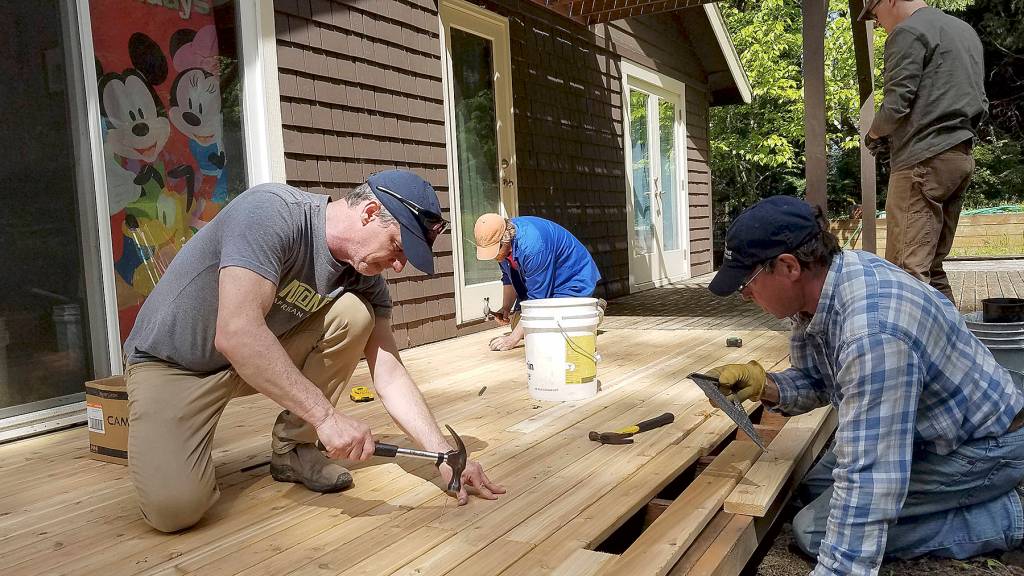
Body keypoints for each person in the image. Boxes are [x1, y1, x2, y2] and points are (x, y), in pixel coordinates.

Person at [123, 169, 504, 533]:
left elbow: (389, 372)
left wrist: (442, 454)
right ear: (370, 213)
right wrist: (326, 416)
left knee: (355, 314)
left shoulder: (364, 276)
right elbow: (237, 333)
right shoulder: (273, 213)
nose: (400, 265)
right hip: (174, 364)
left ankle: (293, 448)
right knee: (175, 508)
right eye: (398, 248)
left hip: (251, 360)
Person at [705, 195, 1024, 575]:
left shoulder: (873, 333)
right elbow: (818, 383)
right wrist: (765, 386)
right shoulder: (829, 285)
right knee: (809, 489)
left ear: (789, 266)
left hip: (981, 448)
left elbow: (872, 477)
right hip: (926, 432)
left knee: (815, 532)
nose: (744, 294)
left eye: (748, 281)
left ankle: (1009, 516)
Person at [859, 0, 988, 304]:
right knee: (931, 267)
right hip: (960, 159)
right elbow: (981, 100)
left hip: (922, 162)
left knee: (905, 271)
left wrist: (873, 133)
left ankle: (908, 353)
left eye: (876, 15)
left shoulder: (908, 32)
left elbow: (895, 105)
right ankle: (955, 349)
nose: (877, 24)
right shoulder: (965, 31)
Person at [473, 213, 603, 351]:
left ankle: (592, 312)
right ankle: (571, 314)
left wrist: (512, 339)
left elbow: (537, 300)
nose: (495, 257)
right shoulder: (502, 247)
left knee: (553, 328)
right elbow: (507, 276)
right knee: (521, 324)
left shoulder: (533, 247)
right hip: (546, 279)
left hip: (571, 278)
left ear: (506, 239)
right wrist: (505, 308)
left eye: (495, 251)